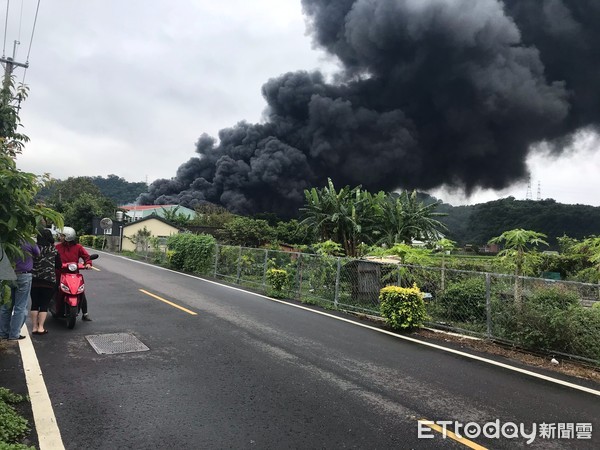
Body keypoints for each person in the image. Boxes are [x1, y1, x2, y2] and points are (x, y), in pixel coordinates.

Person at [0, 239, 40, 340]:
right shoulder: (28, 241)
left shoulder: (5, 240)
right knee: (20, 307)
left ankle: (3, 333)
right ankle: (14, 334)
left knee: (6, 306)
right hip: (24, 275)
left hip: (6, 275)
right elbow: (37, 253)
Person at [55, 227, 93, 321]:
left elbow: (86, 257)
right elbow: (52, 257)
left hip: (74, 275)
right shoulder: (57, 247)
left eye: (62, 235)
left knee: (80, 292)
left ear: (68, 237)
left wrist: (88, 263)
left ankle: (85, 313)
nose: (60, 237)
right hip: (60, 274)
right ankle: (51, 308)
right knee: (54, 289)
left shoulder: (78, 247)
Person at [30, 229, 61, 335]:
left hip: (34, 279)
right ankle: (41, 328)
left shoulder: (34, 248)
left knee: (34, 303)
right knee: (44, 304)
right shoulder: (53, 249)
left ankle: (34, 327)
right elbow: (59, 265)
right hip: (49, 280)